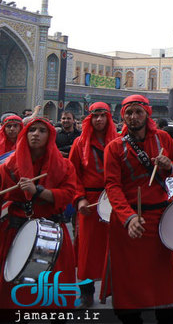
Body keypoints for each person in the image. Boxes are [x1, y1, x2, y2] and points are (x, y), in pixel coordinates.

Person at [102, 95, 173, 323]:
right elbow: (112, 185)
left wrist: (169, 165)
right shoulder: (114, 148)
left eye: (138, 112)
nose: (133, 117)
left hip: (159, 220)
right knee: (129, 283)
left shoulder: (163, 139)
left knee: (162, 282)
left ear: (147, 114)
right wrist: (128, 217)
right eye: (128, 113)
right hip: (128, 224)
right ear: (123, 117)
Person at [0, 118, 78, 309]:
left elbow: (68, 195)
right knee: (15, 291)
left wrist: (39, 191)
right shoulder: (7, 166)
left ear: (50, 135)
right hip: (16, 230)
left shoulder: (64, 166)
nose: (36, 134)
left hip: (51, 229)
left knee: (55, 287)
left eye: (42, 130)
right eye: (32, 130)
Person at [69, 102, 117, 308]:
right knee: (87, 252)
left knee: (115, 248)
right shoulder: (79, 143)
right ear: (90, 119)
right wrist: (80, 198)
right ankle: (86, 293)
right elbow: (72, 174)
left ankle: (116, 290)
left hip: (114, 200)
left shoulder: (118, 142)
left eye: (102, 116)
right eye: (95, 116)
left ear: (108, 118)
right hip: (89, 202)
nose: (99, 120)